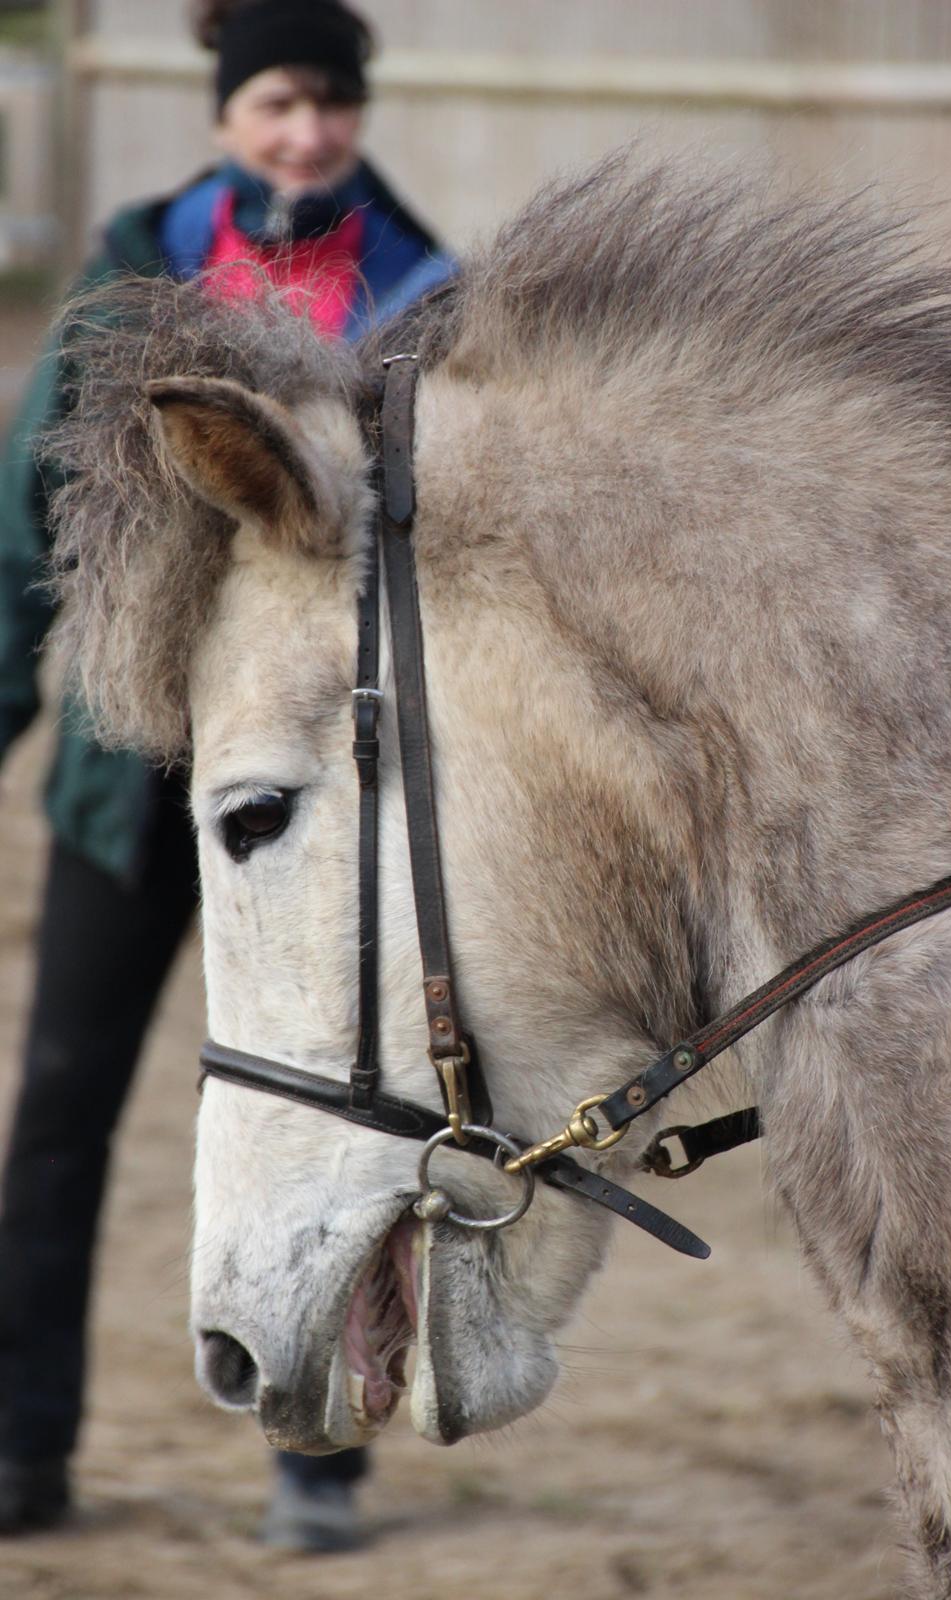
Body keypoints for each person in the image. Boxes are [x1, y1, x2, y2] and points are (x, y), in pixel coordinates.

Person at [0, 0, 454, 1553]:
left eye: (330, 101)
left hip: (332, 788)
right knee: (60, 1106)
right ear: (222, 115)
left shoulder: (422, 292)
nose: (307, 131)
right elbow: (26, 522)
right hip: (131, 786)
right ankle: (20, 1450)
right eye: (276, 100)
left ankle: (318, 1460)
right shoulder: (126, 287)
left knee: (345, 1110)